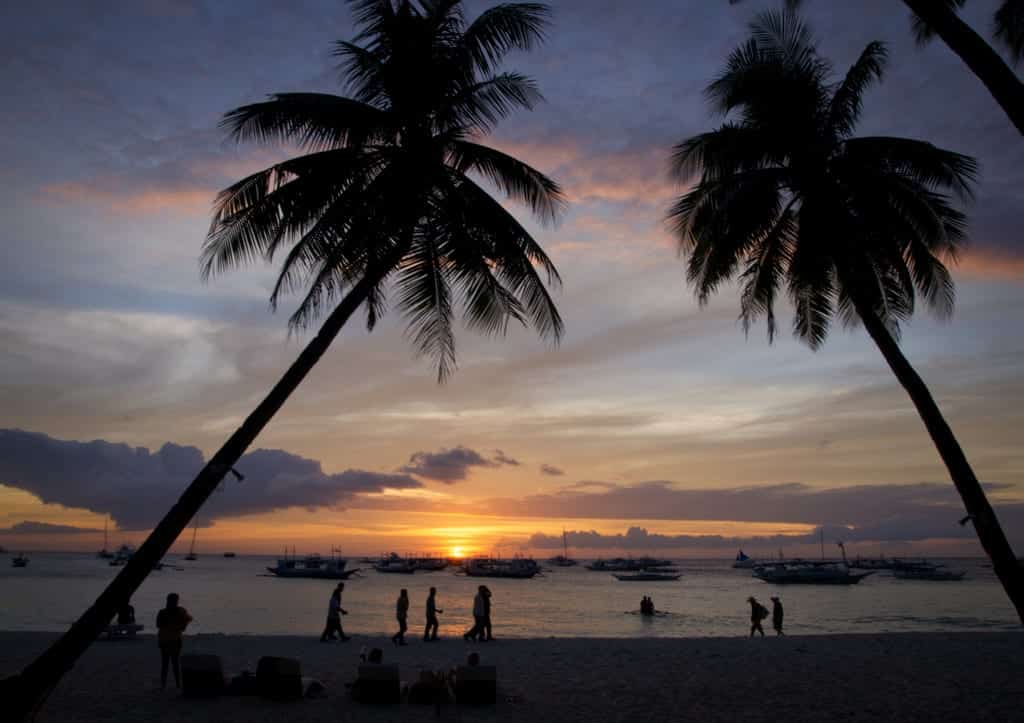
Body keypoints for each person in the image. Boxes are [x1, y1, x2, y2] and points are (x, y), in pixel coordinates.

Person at [156, 593, 192, 689]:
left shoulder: (177, 611)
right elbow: (159, 624)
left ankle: (172, 684)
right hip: (169, 640)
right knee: (170, 663)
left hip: (170, 640)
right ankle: (173, 684)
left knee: (169, 663)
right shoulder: (177, 611)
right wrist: (177, 625)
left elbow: (187, 620)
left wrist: (178, 625)